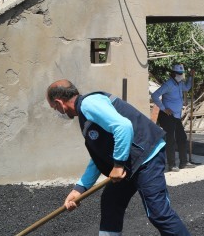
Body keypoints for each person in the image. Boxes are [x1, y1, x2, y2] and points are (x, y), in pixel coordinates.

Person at [46, 79, 191, 235]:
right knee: (111, 201)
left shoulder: (89, 104)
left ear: (59, 102)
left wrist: (118, 165)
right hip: (130, 161)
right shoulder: (85, 113)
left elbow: (123, 126)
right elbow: (99, 156)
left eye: (54, 108)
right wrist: (79, 189)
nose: (58, 111)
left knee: (159, 213)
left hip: (147, 157)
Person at [151, 64, 196, 171]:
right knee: (170, 140)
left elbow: (187, 87)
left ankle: (183, 162)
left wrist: (191, 77)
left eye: (182, 74)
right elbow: (155, 95)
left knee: (182, 138)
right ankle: (172, 165)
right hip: (167, 116)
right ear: (173, 74)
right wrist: (163, 108)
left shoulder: (180, 84)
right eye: (179, 74)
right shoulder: (168, 84)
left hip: (176, 116)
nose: (181, 75)